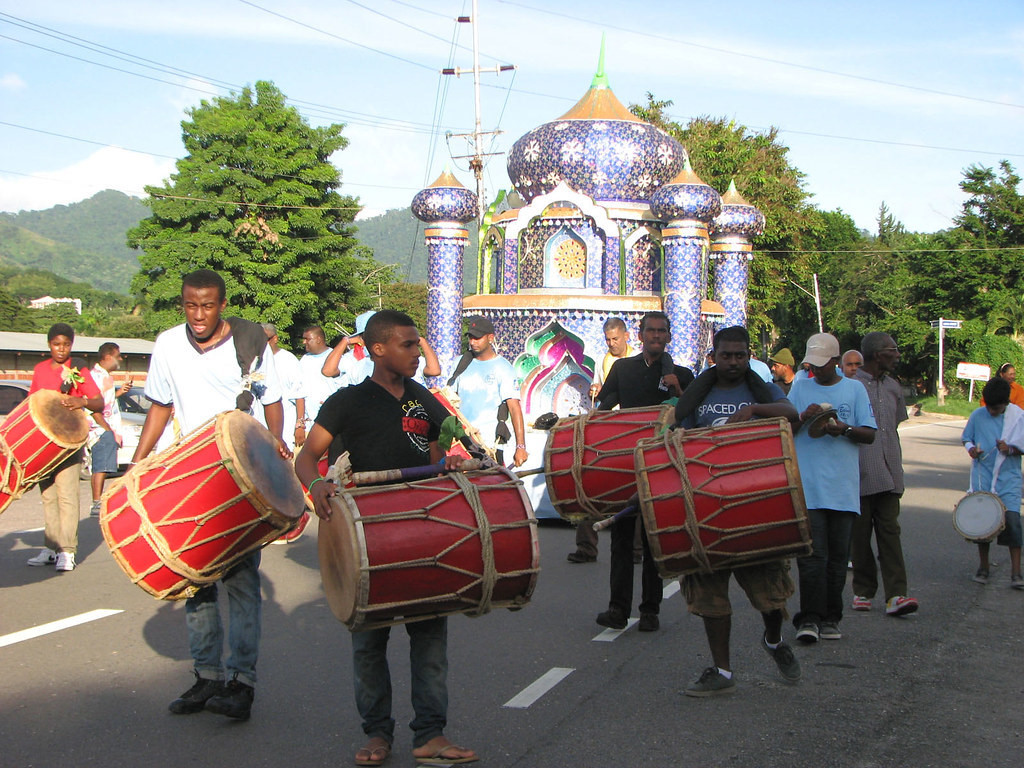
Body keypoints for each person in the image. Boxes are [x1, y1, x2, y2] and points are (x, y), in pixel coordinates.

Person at [295, 310, 477, 766]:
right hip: (367, 535)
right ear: (378, 349)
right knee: (370, 644)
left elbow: (442, 450)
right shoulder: (348, 402)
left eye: (417, 344)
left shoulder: (425, 400)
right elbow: (307, 458)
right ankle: (377, 734)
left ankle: (430, 735)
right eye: (408, 345)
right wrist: (317, 486)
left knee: (430, 640)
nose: (418, 353)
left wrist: (451, 462)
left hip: (424, 529)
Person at [131, 269, 288, 720]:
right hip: (185, 473)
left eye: (207, 305)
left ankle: (241, 683)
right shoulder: (166, 344)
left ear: (222, 304)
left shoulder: (250, 342)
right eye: (190, 305)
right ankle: (206, 677)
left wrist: (274, 446)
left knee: (240, 584)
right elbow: (160, 405)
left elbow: (272, 399)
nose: (198, 315)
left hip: (237, 478)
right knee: (194, 583)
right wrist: (138, 463)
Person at [674, 325, 801, 695]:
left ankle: (774, 641)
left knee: (770, 594)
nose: (733, 361)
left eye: (740, 355)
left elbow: (790, 414)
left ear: (749, 357)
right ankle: (722, 671)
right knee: (711, 594)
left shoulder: (761, 390)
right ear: (714, 356)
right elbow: (674, 428)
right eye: (726, 355)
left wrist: (754, 410)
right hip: (707, 507)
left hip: (754, 504)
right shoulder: (699, 391)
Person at [592, 311, 694, 633]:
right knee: (621, 540)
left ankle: (650, 610)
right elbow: (604, 409)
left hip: (664, 467)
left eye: (661, 331)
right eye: (650, 331)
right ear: (640, 334)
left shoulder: (682, 374)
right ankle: (617, 609)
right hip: (627, 466)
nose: (656, 336)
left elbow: (691, 420)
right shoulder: (623, 369)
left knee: (655, 541)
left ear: (668, 336)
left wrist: (678, 389)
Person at [788, 333, 876, 644]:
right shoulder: (800, 386)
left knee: (838, 559)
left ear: (836, 363)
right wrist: (803, 416)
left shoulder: (854, 389)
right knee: (812, 557)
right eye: (812, 365)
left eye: (823, 365)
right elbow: (786, 428)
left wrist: (844, 429)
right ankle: (809, 618)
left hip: (843, 489)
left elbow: (869, 434)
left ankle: (831, 617)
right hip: (809, 487)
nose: (817, 371)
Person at [25, 323, 103, 572]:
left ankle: (67, 551)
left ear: (72, 345)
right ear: (49, 345)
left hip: (69, 441)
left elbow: (99, 402)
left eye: (66, 344)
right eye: (56, 344)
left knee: (67, 496)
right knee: (48, 496)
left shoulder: (78, 368)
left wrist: (82, 400)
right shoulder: (40, 369)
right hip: (44, 442)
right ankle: (51, 547)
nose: (61, 349)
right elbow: (33, 403)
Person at [850, 333, 919, 616]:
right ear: (878, 355)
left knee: (890, 534)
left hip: (890, 473)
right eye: (894, 350)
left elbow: (895, 427)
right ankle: (863, 591)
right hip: (860, 474)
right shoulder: (852, 387)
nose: (898, 355)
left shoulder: (893, 387)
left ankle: (897, 595)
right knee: (860, 535)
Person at [568, 317, 636, 564]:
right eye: (608, 339)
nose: (612, 343)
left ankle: (638, 550)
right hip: (605, 426)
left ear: (627, 336)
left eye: (615, 339)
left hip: (629, 428)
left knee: (635, 488)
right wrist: (595, 389)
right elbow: (602, 391)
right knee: (588, 481)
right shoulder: (602, 359)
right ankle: (586, 547)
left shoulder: (638, 359)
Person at [962, 376, 1024, 589]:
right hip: (983, 477)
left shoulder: (1018, 417)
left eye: (995, 408)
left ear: (1006, 404)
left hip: (1009, 480)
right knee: (983, 524)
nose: (991, 412)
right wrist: (972, 449)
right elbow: (966, 438)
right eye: (988, 407)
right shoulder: (978, 415)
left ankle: (1016, 574)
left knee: (1013, 523)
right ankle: (984, 567)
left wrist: (1011, 449)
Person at [450, 315, 527, 468]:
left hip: (489, 445)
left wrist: (521, 447)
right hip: (462, 442)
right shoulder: (460, 363)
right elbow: (450, 400)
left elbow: (514, 407)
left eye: (477, 338)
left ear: (490, 338)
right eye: (470, 337)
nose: (472, 342)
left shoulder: (503, 368)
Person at [87, 342, 131, 517]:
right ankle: (96, 502)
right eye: (117, 356)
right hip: (101, 429)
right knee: (101, 466)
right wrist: (106, 429)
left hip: (107, 427)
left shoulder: (105, 376)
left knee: (105, 466)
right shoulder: (97, 377)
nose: (119, 360)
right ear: (107, 357)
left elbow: (105, 401)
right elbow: (93, 405)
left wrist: (119, 393)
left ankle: (98, 501)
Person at [261, 323, 306, 450]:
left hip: (286, 425)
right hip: (261, 426)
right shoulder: (255, 359)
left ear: (275, 339)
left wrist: (300, 426)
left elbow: (300, 395)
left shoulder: (288, 360)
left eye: (266, 340)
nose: (262, 343)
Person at [299, 325, 342, 422]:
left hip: (330, 416)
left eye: (307, 339)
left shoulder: (334, 357)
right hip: (308, 418)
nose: (304, 342)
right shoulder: (304, 359)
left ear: (318, 339)